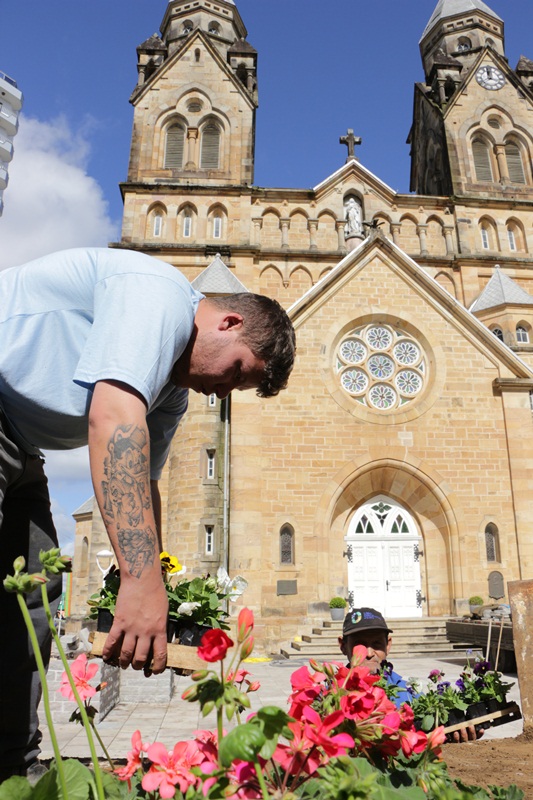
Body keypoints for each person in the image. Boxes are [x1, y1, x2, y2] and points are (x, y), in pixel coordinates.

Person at [0, 247, 296, 781]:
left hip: (21, 447)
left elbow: (146, 481)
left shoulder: (170, 395)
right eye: (234, 373)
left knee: (34, 605)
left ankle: (11, 772)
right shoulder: (157, 294)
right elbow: (113, 418)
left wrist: (153, 574)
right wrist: (139, 581)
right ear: (227, 322)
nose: (222, 391)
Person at [338, 607, 483, 743]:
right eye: (360, 645)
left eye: (376, 644)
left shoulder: (408, 694)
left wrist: (456, 733)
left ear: (388, 645)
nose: (369, 654)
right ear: (343, 646)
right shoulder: (330, 693)